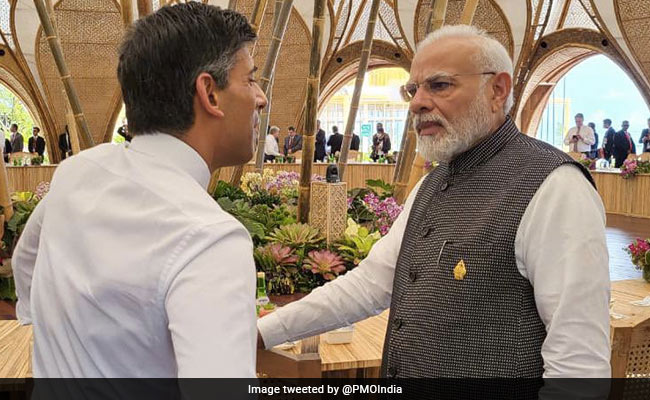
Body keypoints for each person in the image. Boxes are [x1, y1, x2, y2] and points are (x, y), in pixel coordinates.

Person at [258, 25, 610, 378]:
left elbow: (578, 364)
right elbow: (368, 285)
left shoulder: (555, 186)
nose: (417, 103)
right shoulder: (431, 184)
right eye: (412, 90)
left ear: (497, 90)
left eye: (439, 85)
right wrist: (262, 332)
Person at [13, 3, 267, 378]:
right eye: (250, 80)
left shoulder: (78, 172)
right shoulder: (210, 238)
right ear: (210, 93)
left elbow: (25, 263)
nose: (261, 97)